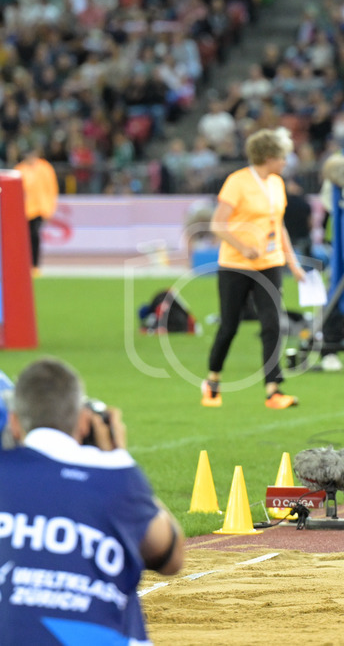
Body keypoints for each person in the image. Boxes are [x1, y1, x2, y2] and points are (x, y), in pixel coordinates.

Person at [0, 357, 184, 641]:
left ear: (14, 422)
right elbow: (171, 557)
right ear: (83, 420)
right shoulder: (115, 477)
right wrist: (119, 459)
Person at [201, 128, 306, 410]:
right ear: (268, 157)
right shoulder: (237, 182)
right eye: (282, 157)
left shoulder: (277, 183)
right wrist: (242, 246)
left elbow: (278, 225)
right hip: (236, 265)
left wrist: (292, 263)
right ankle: (212, 382)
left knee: (273, 323)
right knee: (229, 326)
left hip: (269, 264)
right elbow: (217, 224)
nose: (285, 162)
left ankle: (273, 390)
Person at [15, 145, 59, 274]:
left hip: (39, 208)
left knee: (34, 235)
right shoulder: (20, 169)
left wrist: (50, 207)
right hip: (23, 210)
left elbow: (51, 188)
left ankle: (34, 265)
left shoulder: (45, 168)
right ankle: (24, 264)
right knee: (23, 238)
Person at [283, 177, 313, 263]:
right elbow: (310, 223)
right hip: (303, 237)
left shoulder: (285, 203)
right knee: (305, 263)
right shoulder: (305, 203)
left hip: (290, 237)